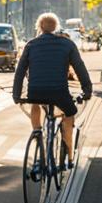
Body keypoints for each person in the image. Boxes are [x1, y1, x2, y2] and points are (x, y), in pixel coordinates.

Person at [12, 12, 92, 169]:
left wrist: (16, 95)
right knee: (69, 113)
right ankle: (69, 155)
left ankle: (37, 133)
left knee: (35, 102)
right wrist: (87, 90)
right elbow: (80, 68)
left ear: (40, 27)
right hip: (59, 93)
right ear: (56, 27)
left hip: (36, 92)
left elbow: (20, 71)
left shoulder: (31, 45)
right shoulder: (68, 44)